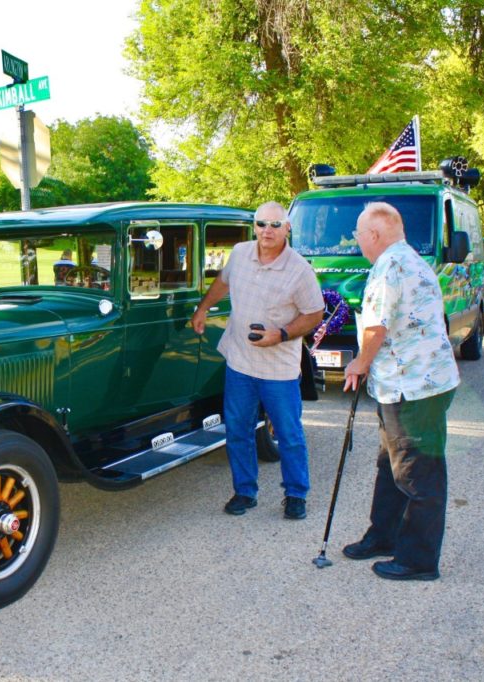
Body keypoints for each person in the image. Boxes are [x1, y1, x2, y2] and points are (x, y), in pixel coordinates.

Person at [341, 202, 460, 581]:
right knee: (390, 465)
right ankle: (384, 535)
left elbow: (376, 327)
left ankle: (418, 559)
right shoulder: (407, 258)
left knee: (417, 473)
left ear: (373, 235)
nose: (356, 240)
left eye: (358, 234)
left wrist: (359, 362)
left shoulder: (391, 266)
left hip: (414, 387)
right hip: (404, 384)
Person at [191, 201, 324, 520]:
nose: (268, 231)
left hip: (278, 369)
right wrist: (203, 308)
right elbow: (223, 281)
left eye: (275, 225)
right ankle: (245, 492)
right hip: (240, 363)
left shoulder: (299, 270)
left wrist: (279, 334)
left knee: (289, 434)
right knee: (238, 429)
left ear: (287, 229)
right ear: (254, 227)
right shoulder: (240, 253)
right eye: (262, 224)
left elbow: (314, 314)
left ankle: (295, 494)